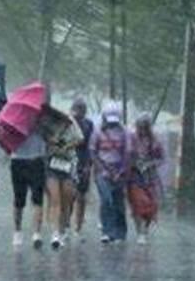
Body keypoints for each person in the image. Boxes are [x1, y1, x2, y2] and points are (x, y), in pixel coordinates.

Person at [89, 103, 130, 243]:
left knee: (119, 202)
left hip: (119, 171)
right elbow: (93, 152)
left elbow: (127, 154)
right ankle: (107, 231)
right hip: (102, 172)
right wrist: (101, 169)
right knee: (107, 200)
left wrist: (121, 171)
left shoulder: (124, 132)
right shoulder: (97, 132)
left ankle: (120, 232)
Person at [43, 109, 84, 249]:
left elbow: (80, 138)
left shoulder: (72, 124)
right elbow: (44, 140)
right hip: (52, 164)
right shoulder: (48, 125)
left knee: (66, 199)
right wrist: (52, 141)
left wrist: (67, 145)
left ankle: (64, 229)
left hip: (68, 164)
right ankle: (55, 234)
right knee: (55, 200)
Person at [130, 113, 164, 245]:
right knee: (139, 204)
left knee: (151, 207)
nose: (142, 130)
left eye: (145, 127)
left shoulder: (155, 141)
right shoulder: (131, 139)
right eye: (140, 127)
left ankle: (144, 229)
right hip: (134, 177)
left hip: (150, 177)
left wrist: (150, 164)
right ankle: (141, 232)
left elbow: (161, 158)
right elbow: (126, 154)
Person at [9, 130, 46, 249]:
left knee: (38, 198)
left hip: (37, 159)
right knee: (19, 199)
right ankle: (17, 230)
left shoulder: (41, 117)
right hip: (18, 159)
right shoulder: (15, 119)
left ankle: (37, 233)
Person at [70, 98, 94, 240]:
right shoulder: (67, 123)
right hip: (69, 160)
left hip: (83, 160)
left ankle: (78, 227)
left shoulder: (89, 124)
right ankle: (66, 224)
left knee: (81, 197)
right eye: (77, 108)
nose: (79, 112)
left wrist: (88, 164)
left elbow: (91, 145)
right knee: (69, 195)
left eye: (82, 109)